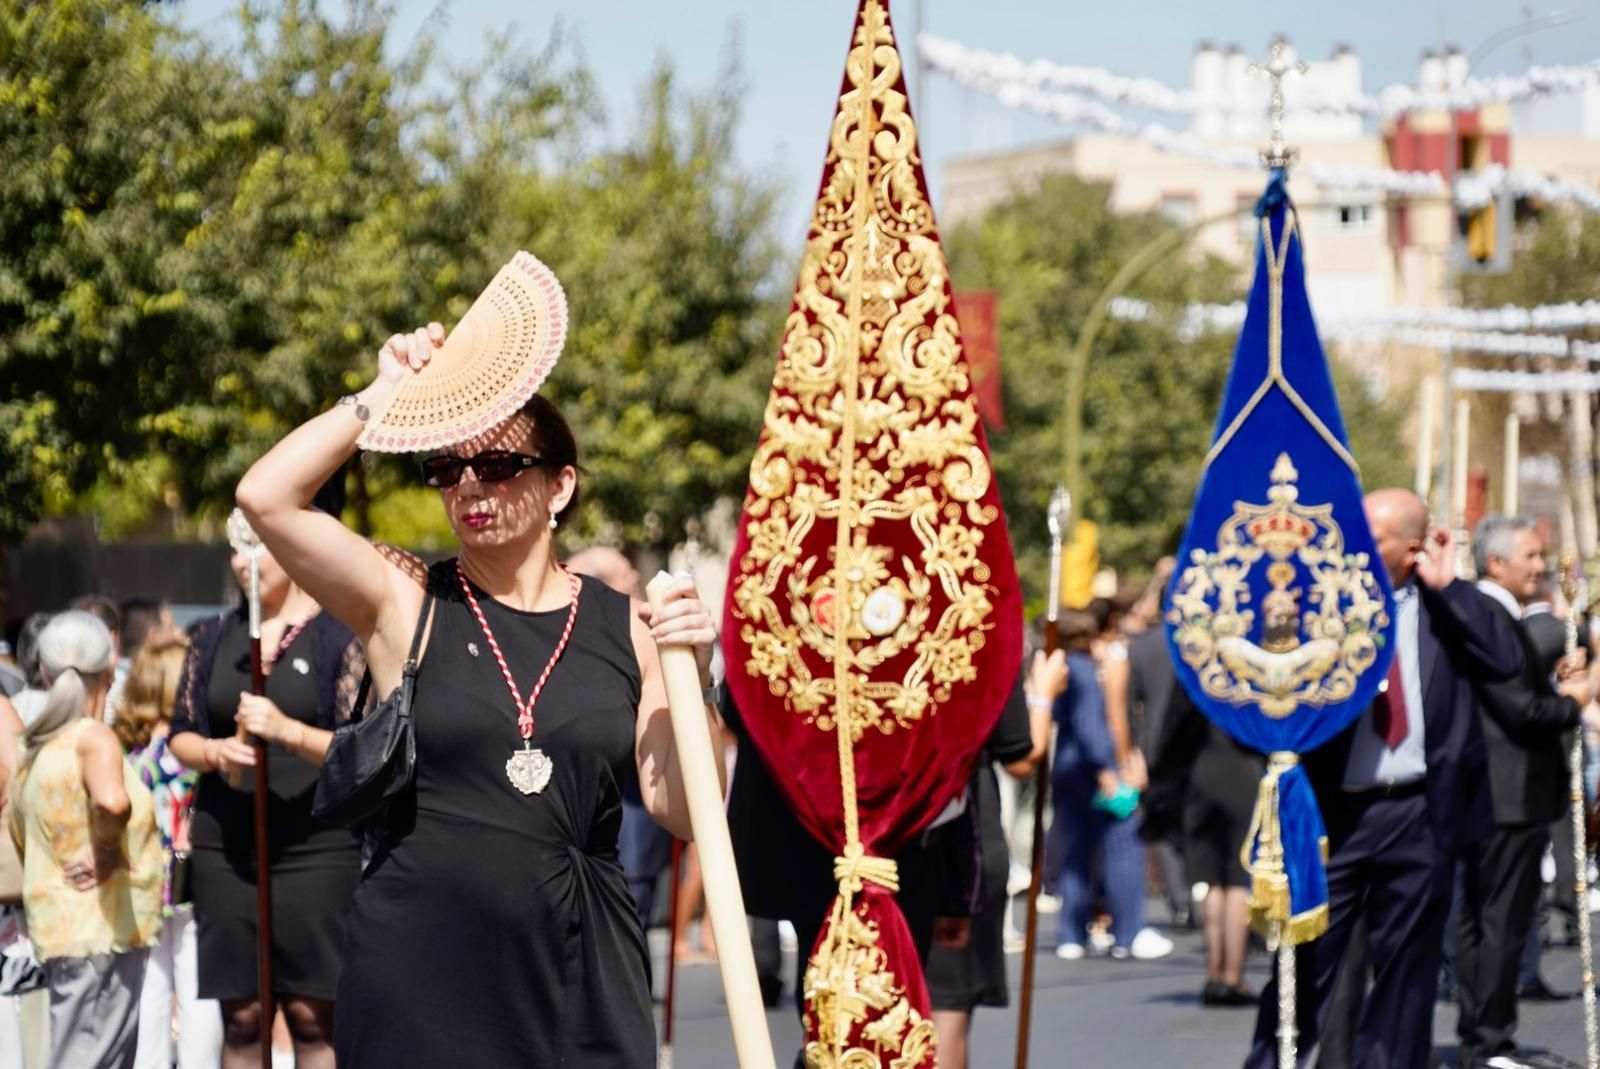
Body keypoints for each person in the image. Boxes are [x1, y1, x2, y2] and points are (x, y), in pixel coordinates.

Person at [233, 321, 724, 1067]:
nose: (469, 486)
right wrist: (382, 395)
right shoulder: (404, 600)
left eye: (497, 465)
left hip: (577, 965)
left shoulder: (631, 626)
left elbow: (686, 806)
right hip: (421, 963)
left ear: (560, 485)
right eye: (446, 469)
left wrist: (699, 679)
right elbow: (266, 497)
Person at [1244, 489, 1524, 1069]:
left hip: (1421, 812)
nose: (1355, 541)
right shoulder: (1322, 602)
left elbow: (1507, 661)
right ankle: (1274, 1060)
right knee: (1306, 959)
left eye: (1375, 535)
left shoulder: (1447, 606)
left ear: (1413, 548)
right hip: (1336, 812)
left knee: (1406, 972)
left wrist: (1452, 588)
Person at [167, 544, 365, 1069]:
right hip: (227, 846)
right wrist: (213, 752)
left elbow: (361, 744)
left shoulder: (337, 635)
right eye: (234, 548)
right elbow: (181, 734)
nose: (242, 561)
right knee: (243, 1017)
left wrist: (287, 732)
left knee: (311, 1015)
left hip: (317, 847)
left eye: (258, 548)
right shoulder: (211, 636)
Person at [1455, 514, 1593, 1069]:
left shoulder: (1489, 613)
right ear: (1497, 563)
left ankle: (1483, 1035)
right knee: (1499, 924)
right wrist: (1575, 701)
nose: (1541, 566)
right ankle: (1489, 1040)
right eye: (1531, 556)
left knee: (1486, 921)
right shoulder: (1488, 614)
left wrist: (1555, 683)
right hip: (1507, 792)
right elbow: (1517, 709)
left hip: (1499, 791)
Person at [9, 611, 165, 1069]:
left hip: (66, 928)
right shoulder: (92, 737)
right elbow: (113, 803)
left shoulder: (35, 746)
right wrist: (107, 850)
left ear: (44, 670)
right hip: (101, 929)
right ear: (111, 668)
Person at [926, 648, 1064, 1069]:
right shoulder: (972, 639)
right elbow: (1021, 755)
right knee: (947, 1000)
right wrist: (1042, 696)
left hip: (880, 831)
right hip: (956, 833)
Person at [118, 635, 222, 1069]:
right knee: (199, 986)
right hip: (195, 878)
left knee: (150, 988)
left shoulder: (132, 758)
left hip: (140, 882)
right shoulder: (195, 755)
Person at [1052, 610, 1171, 961]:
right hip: (1093, 770)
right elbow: (1092, 723)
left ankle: (1070, 932)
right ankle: (1128, 931)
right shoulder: (1086, 672)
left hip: (1067, 768)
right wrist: (1108, 768)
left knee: (1074, 853)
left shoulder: (1062, 670)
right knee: (1122, 847)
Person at [1147, 685, 1263, 1006]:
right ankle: (1232, 976)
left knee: (1212, 880)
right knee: (1238, 880)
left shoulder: (1196, 666)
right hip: (1243, 769)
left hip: (1203, 770)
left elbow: (1172, 728)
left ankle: (1214, 974)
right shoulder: (1246, 666)